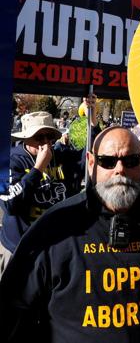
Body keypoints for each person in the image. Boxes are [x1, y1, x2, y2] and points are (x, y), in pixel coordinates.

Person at [0, 127, 140, 343]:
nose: (120, 170)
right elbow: (14, 311)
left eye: (130, 160)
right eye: (108, 161)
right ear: (91, 162)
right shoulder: (52, 229)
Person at [0, 105, 97, 276]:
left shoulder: (59, 155)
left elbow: (88, 157)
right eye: (39, 137)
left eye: (49, 137)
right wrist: (38, 168)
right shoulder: (12, 160)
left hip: (54, 244)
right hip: (20, 246)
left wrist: (92, 120)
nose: (45, 142)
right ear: (26, 138)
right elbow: (10, 204)